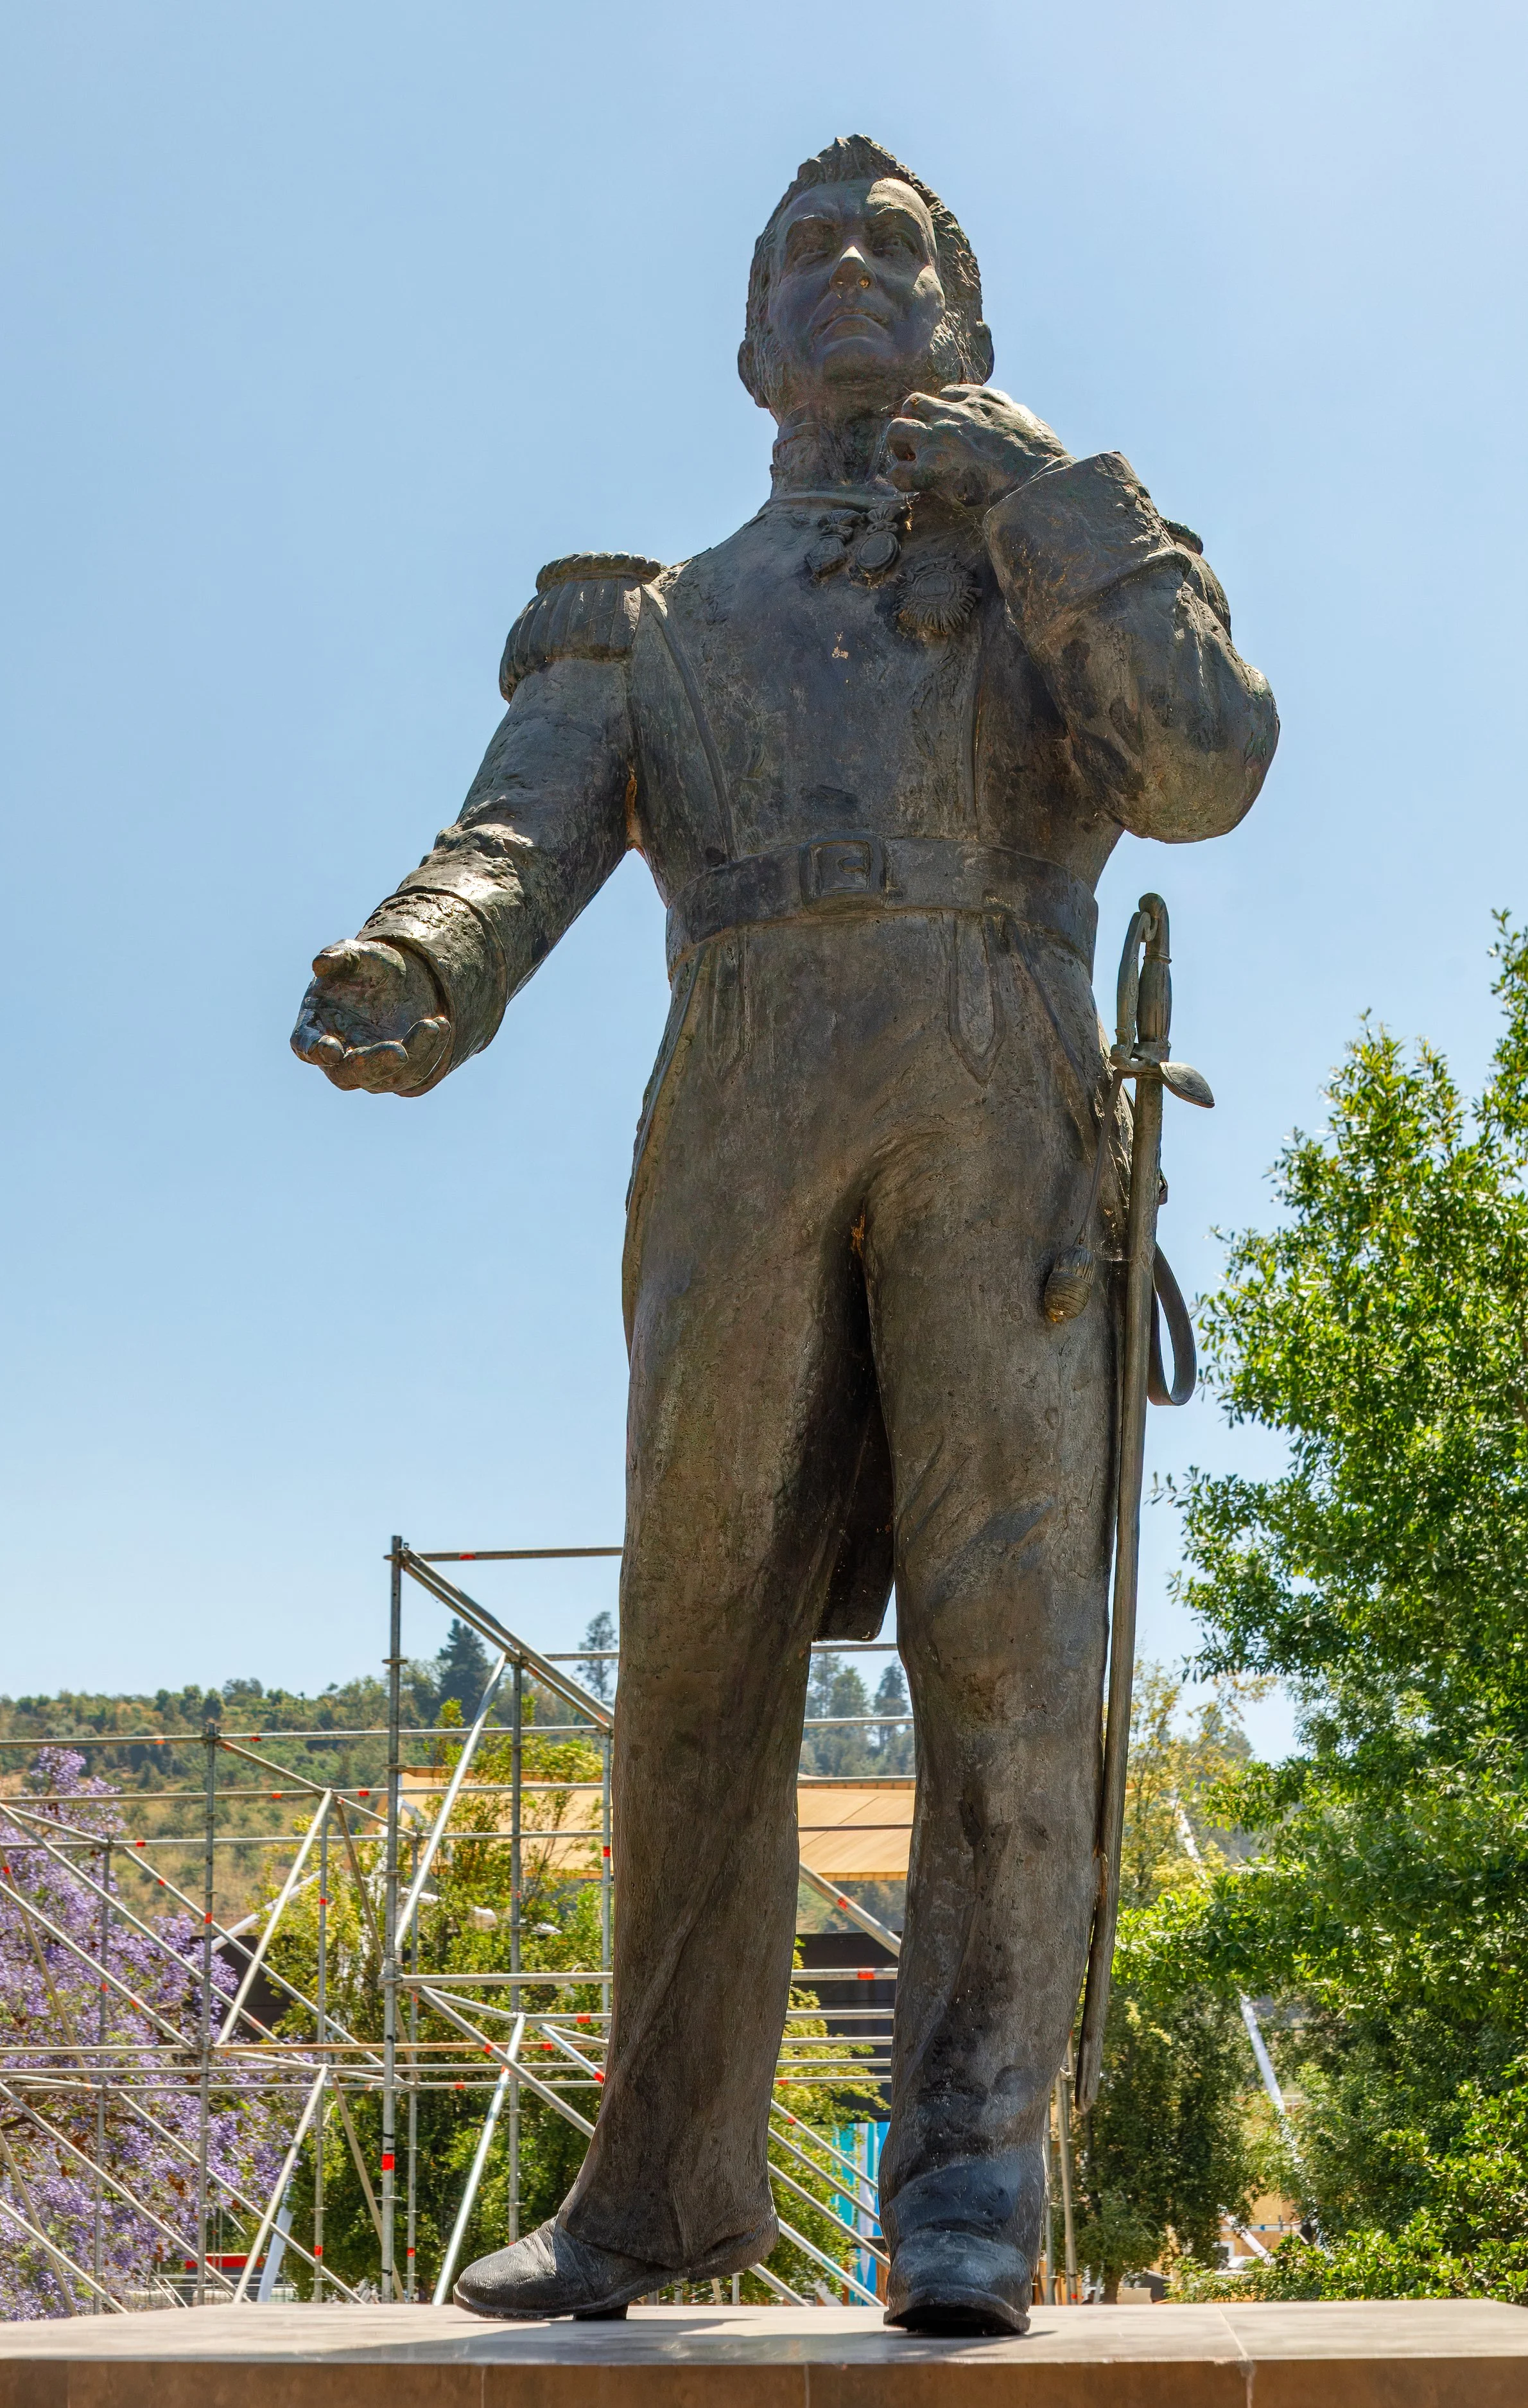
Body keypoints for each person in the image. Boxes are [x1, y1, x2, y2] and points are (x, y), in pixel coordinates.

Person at [291, 134, 1277, 2333]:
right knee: (697, 1661)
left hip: (998, 1093)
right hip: (737, 1100)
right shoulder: (652, 621)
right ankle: (655, 2193)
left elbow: (1201, 766)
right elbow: (508, 840)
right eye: (806, 252)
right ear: (750, 338)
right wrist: (412, 965)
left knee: (1010, 1658)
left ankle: (966, 2183)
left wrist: (1051, 507)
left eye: (896, 247)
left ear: (965, 317)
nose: (851, 269)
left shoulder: (1070, 550)